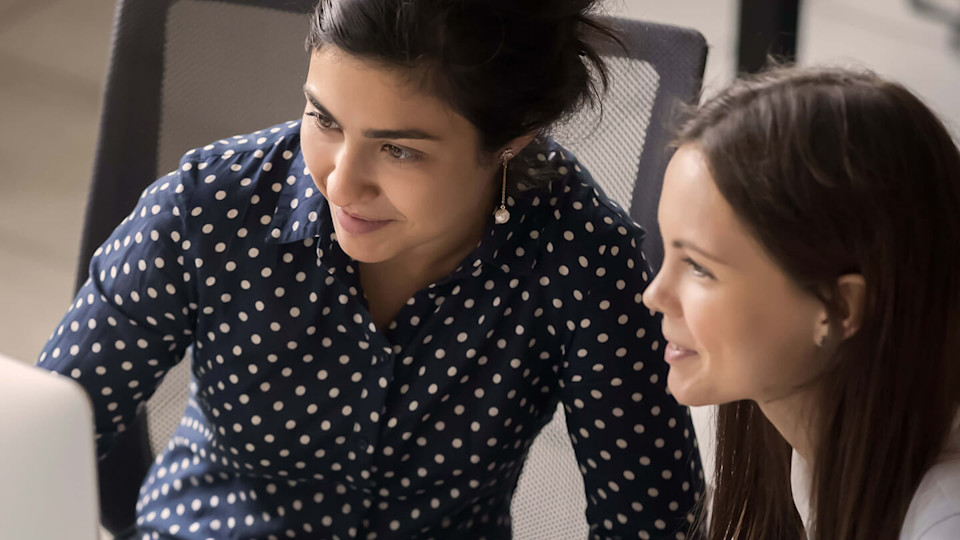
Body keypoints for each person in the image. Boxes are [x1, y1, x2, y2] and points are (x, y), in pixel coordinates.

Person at [38, 1, 704, 538]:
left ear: (513, 137)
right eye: (323, 120)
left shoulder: (581, 260)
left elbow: (648, 521)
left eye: (398, 150)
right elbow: (39, 436)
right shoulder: (208, 208)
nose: (341, 182)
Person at [642, 65, 960, 540]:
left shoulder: (941, 520)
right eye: (667, 251)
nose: (654, 295)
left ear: (842, 306)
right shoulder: (807, 452)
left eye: (700, 267)